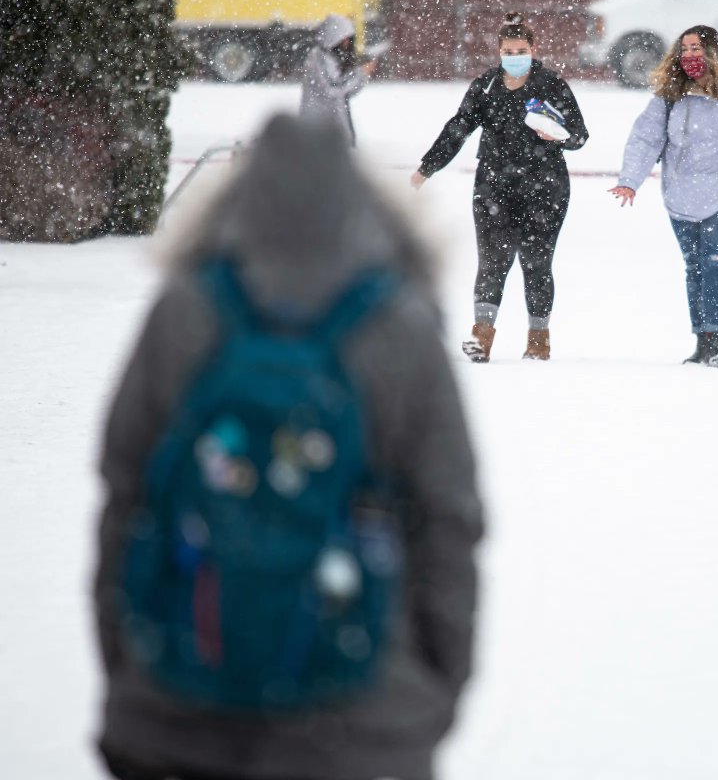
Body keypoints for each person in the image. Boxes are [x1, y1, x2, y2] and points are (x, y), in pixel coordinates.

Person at [92, 115, 483, 780]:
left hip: (177, 710)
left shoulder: (185, 309)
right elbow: (446, 520)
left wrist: (134, 668)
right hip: (362, 716)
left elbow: (125, 497)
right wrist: (431, 689)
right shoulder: (398, 323)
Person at [411, 12, 588, 363]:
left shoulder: (552, 85)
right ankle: (481, 336)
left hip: (545, 187)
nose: (515, 56)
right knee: (492, 261)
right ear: (498, 52)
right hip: (494, 186)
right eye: (508, 51)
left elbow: (580, 135)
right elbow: (458, 128)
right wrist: (426, 168)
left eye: (521, 49)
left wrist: (557, 135)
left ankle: (538, 338)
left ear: (533, 49)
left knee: (537, 262)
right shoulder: (486, 86)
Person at [609, 25, 718, 368]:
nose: (690, 56)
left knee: (717, 262)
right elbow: (645, 140)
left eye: (697, 49)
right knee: (695, 268)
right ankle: (702, 342)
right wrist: (630, 180)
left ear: (714, 53)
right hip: (681, 194)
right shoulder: (669, 95)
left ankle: (715, 341)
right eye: (685, 49)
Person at [300, 13, 376, 146]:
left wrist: (363, 76)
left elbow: (347, 91)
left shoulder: (332, 58)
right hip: (319, 130)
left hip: (333, 131)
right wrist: (360, 73)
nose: (347, 43)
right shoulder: (319, 57)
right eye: (345, 38)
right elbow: (333, 88)